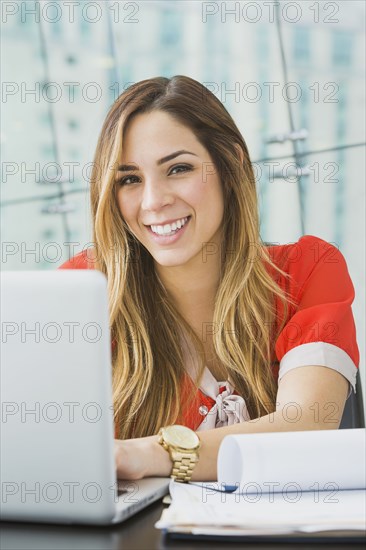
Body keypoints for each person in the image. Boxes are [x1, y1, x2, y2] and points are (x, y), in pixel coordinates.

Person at [59, 75, 359, 483]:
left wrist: (151, 452)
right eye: (129, 178)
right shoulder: (83, 288)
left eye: (178, 168)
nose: (153, 201)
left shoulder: (306, 269)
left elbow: (305, 424)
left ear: (230, 162)